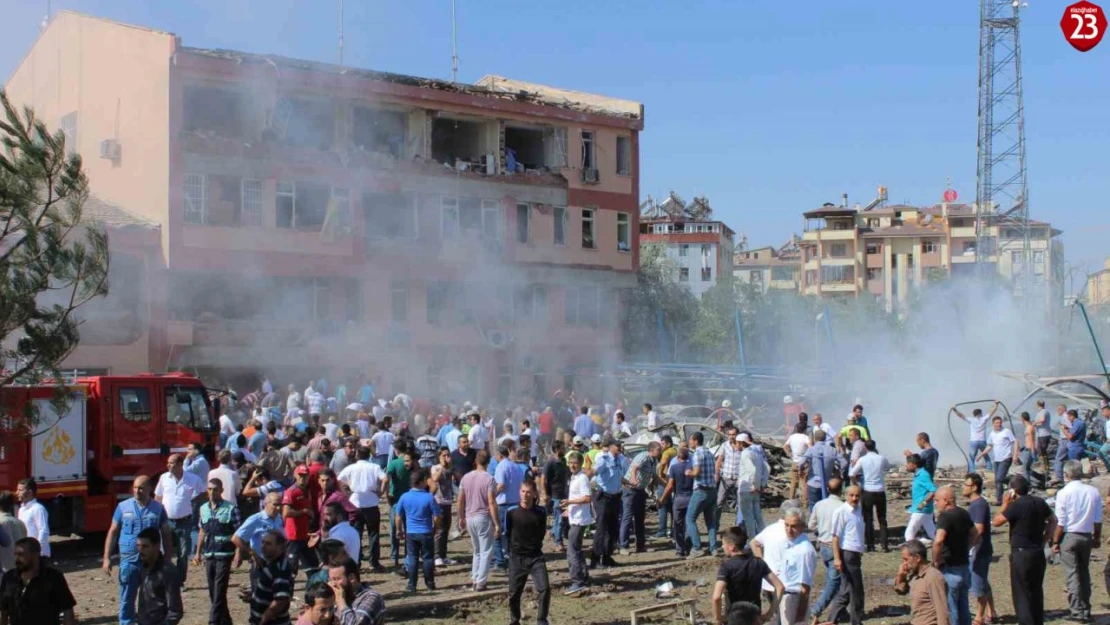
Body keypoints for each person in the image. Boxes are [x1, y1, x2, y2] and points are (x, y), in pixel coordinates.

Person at [103, 476, 173, 625]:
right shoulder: (123, 507)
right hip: (129, 561)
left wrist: (167, 559)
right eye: (135, 487)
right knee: (126, 599)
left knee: (151, 599)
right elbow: (113, 531)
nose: (137, 491)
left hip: (151, 563)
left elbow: (166, 534)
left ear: (150, 489)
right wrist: (106, 558)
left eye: (141, 488)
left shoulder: (158, 509)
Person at [991, 474, 1056, 625]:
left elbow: (996, 521)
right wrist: (1045, 539)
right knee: (1036, 591)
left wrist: (1005, 504)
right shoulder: (1040, 502)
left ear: (1013, 491)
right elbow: (1053, 521)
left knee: (1022, 594)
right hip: (1037, 552)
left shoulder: (1016, 506)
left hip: (1021, 553)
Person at [1052, 459, 1103, 623]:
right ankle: (1086, 609)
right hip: (1086, 535)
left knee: (1072, 575)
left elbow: (1060, 522)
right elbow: (1097, 520)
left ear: (1067, 474)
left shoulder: (1063, 493)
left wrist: (1055, 541)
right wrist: (1096, 537)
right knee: (1084, 573)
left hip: (1069, 535)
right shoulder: (1092, 491)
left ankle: (1077, 611)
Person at [712, 526, 783, 625]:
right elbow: (780, 587)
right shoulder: (759, 563)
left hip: (735, 618)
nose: (722, 547)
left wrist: (718, 618)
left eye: (724, 544)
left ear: (732, 546)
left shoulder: (726, 567)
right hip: (755, 618)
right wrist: (769, 613)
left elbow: (716, 597)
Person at [193, 478, 241, 625]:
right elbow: (202, 531)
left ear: (221, 490)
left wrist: (239, 553)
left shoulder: (231, 509)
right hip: (209, 553)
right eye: (209, 489)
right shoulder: (203, 509)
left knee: (219, 589)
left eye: (215, 489)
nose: (212, 492)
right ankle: (226, 621)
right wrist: (197, 552)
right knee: (213, 591)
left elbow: (239, 533)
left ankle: (213, 621)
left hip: (225, 554)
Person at [155, 454, 206, 586]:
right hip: (167, 522)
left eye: (171, 463)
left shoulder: (192, 479)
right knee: (165, 551)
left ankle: (179, 581)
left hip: (185, 522)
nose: (168, 465)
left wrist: (194, 502)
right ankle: (165, 579)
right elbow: (158, 497)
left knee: (183, 553)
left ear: (179, 464)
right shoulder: (164, 478)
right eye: (168, 462)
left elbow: (203, 492)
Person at [0, 537, 76, 625]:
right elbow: (4, 612)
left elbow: (67, 611)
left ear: (35, 554)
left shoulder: (53, 577)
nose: (17, 559)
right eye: (15, 555)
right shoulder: (9, 578)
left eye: (21, 555)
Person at [506, 479, 550, 625]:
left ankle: (542, 620)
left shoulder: (540, 512)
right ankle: (514, 620)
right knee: (514, 593)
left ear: (534, 494)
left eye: (528, 492)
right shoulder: (511, 511)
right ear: (519, 492)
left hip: (535, 557)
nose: (525, 495)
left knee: (544, 589)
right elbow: (508, 533)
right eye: (523, 491)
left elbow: (542, 531)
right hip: (517, 557)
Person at [932, 486, 976, 625]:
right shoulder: (963, 513)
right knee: (963, 605)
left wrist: (936, 560)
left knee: (951, 609)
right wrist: (967, 547)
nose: (935, 503)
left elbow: (939, 540)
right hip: (963, 566)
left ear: (946, 501)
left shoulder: (945, 517)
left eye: (937, 500)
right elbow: (975, 533)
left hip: (949, 568)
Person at [338, 445, 386, 571]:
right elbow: (385, 478)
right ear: (369, 455)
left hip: (355, 504)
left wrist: (347, 491)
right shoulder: (374, 467)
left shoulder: (351, 468)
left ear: (357, 455)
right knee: (373, 534)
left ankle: (356, 561)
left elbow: (338, 479)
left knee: (356, 535)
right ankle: (374, 562)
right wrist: (381, 492)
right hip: (371, 503)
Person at [458, 450, 500, 591]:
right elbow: (491, 502)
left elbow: (460, 501)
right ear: (488, 462)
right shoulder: (489, 478)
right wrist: (497, 523)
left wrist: (461, 517)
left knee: (477, 551)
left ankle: (475, 578)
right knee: (486, 551)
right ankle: (481, 582)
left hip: (470, 516)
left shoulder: (466, 477)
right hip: (483, 517)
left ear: (475, 461)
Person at [395, 468, 440, 592]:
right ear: (420, 482)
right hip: (426, 531)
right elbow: (437, 516)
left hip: (411, 532)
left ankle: (412, 584)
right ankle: (430, 583)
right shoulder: (429, 498)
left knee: (412, 558)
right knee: (428, 558)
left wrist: (399, 530)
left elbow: (398, 516)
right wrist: (435, 528)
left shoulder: (405, 497)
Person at [232, 493, 285, 598]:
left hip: (276, 563)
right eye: (275, 504)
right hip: (262, 563)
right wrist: (253, 554)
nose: (278, 508)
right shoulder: (256, 519)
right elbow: (236, 538)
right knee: (260, 597)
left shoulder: (278, 518)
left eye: (280, 505)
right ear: (266, 504)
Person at [827, 485, 865, 625]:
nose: (854, 498)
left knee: (846, 590)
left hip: (855, 553)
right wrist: (837, 558)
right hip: (847, 553)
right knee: (856, 590)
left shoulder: (859, 510)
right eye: (851, 495)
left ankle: (831, 619)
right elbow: (835, 537)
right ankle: (856, 621)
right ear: (846, 495)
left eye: (857, 496)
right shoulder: (841, 512)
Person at [808, 478, 843, 624]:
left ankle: (839, 611)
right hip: (835, 547)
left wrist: (821, 530)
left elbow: (811, 525)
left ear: (827, 489)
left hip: (822, 545)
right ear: (841, 490)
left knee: (834, 580)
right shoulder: (842, 507)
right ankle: (815, 610)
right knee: (833, 582)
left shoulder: (819, 505)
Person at [963, 473, 996, 625]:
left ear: (974, 487)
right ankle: (992, 612)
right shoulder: (976, 504)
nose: (963, 487)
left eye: (966, 484)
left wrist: (968, 547)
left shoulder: (978, 505)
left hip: (979, 551)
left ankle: (979, 618)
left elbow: (979, 529)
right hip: (981, 550)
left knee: (977, 585)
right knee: (982, 582)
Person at [892, 539, 951, 625]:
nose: (904, 564)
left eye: (906, 559)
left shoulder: (933, 577)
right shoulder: (915, 574)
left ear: (918, 558)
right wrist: (901, 576)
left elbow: (942, 611)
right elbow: (901, 590)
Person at [848, 440, 891, 552]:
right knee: (882, 518)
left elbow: (852, 473)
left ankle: (870, 545)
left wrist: (856, 484)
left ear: (865, 448)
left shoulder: (862, 459)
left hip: (867, 490)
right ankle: (884, 545)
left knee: (868, 519)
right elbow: (888, 467)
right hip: (880, 490)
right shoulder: (881, 458)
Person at [135, 527, 183, 625]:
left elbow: (175, 612)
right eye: (138, 546)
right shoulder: (142, 567)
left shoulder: (168, 571)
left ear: (156, 546)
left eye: (145, 546)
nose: (140, 550)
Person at [620, 441, 661, 555]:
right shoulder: (643, 456)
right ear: (652, 450)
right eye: (658, 449)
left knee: (640, 519)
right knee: (627, 518)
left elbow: (654, 476)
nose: (660, 451)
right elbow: (634, 467)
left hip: (640, 491)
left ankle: (640, 546)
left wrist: (666, 484)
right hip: (630, 490)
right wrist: (633, 478)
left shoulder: (654, 461)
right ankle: (623, 546)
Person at [777, 509, 817, 625]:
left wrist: (800, 617)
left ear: (802, 526)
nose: (789, 530)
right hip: (785, 598)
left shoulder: (804, 551)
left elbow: (805, 587)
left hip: (795, 599)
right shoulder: (791, 544)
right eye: (786, 525)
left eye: (793, 526)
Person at [591, 439, 626, 567]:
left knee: (612, 528)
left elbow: (619, 477)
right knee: (601, 529)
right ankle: (595, 559)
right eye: (617, 445)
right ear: (611, 447)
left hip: (615, 497)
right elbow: (593, 471)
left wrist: (628, 483)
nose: (619, 447)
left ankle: (607, 556)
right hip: (603, 498)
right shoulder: (603, 459)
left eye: (620, 445)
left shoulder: (618, 460)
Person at [562, 451, 593, 595]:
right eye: (570, 463)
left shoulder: (582, 478)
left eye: (575, 463)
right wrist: (569, 509)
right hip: (575, 517)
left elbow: (587, 498)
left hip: (580, 520)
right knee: (577, 550)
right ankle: (584, 577)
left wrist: (570, 502)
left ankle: (577, 581)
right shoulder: (573, 477)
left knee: (572, 551)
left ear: (580, 464)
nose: (572, 465)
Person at [686, 431, 719, 559]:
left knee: (690, 518)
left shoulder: (697, 454)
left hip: (701, 490)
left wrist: (689, 473)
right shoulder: (709, 453)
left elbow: (697, 472)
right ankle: (713, 548)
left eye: (690, 440)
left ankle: (697, 548)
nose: (689, 442)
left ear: (695, 441)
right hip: (712, 490)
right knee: (710, 521)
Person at [493, 444, 526, 570]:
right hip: (515, 503)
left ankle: (500, 560)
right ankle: (512, 558)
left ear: (499, 455)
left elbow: (501, 485)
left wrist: (491, 496)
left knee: (499, 532)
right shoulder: (515, 466)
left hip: (504, 504)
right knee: (512, 533)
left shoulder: (501, 466)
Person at [250, 530, 294, 625]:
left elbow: (281, 599)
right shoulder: (270, 563)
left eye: (268, 544)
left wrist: (267, 615)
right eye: (263, 542)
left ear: (281, 548)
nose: (263, 546)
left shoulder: (280, 569)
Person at [283, 465, 318, 577]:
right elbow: (286, 513)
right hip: (293, 536)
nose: (303, 478)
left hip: (304, 535)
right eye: (300, 475)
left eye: (305, 475)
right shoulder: (291, 491)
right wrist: (304, 511)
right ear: (295, 475)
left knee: (313, 567)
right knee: (291, 569)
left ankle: (311, 593)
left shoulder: (306, 491)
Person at [974, 416, 1018, 505]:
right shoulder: (992, 434)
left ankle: (1000, 500)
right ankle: (1012, 481)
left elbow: (1015, 441)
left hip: (1006, 458)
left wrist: (1015, 455)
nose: (999, 424)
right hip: (996, 460)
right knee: (997, 480)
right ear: (993, 424)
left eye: (1000, 422)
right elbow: (990, 446)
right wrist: (981, 454)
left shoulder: (1006, 431)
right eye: (997, 423)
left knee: (999, 480)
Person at [327, 559, 386, 625]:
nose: (332, 584)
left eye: (336, 579)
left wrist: (341, 602)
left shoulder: (371, 597)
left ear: (352, 578)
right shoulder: (335, 598)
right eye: (330, 580)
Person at [384, 447, 415, 569]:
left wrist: (386, 494)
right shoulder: (415, 466)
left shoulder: (393, 463)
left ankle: (395, 557)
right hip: (409, 501)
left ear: (396, 450)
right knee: (409, 530)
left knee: (394, 530)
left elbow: (387, 478)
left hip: (396, 501)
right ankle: (409, 556)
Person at [660, 446, 694, 557]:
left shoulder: (674, 468)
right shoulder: (692, 467)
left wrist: (662, 499)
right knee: (689, 523)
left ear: (678, 457)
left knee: (677, 524)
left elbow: (670, 486)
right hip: (691, 497)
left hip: (679, 498)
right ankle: (688, 548)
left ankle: (680, 550)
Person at [540, 440, 570, 551]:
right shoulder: (550, 462)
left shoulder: (563, 460)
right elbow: (543, 479)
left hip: (564, 493)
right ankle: (558, 542)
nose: (564, 449)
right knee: (559, 519)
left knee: (562, 518)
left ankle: (553, 532)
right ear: (557, 449)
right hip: (555, 494)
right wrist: (545, 493)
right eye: (562, 447)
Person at [429, 447, 456, 565]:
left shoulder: (450, 467)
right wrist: (443, 467)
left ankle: (444, 555)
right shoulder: (435, 467)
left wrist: (451, 467)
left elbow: (458, 477)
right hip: (438, 501)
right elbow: (435, 478)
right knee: (438, 530)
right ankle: (436, 556)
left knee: (446, 529)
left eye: (447, 455)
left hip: (448, 502)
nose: (446, 458)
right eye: (443, 455)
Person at [800, 430, 839, 511]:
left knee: (813, 505)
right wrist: (837, 473)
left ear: (815, 438)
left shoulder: (811, 449)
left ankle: (814, 522)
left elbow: (801, 462)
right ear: (825, 438)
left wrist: (801, 470)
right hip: (827, 483)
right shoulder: (832, 450)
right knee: (826, 506)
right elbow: (844, 463)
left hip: (813, 482)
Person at [952, 403, 997, 472]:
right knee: (985, 454)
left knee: (972, 457)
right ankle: (989, 468)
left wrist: (955, 410)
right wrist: (996, 404)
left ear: (974, 414)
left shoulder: (971, 420)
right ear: (980, 413)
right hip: (982, 441)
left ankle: (972, 471)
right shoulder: (983, 419)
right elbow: (992, 412)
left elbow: (961, 415)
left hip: (973, 441)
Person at [905, 454, 937, 542]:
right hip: (925, 511)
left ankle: (913, 553)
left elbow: (933, 490)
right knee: (933, 533)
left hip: (920, 510)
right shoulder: (919, 474)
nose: (906, 466)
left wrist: (923, 503)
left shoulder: (923, 475)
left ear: (914, 465)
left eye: (908, 463)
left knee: (909, 534)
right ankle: (949, 547)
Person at [15, 480, 49, 560]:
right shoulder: (22, 509)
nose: (17, 493)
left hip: (37, 555)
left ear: (30, 492)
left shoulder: (38, 509)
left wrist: (37, 550)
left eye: (20, 490)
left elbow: (43, 531)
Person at [716, 428, 743, 528]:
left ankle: (739, 525)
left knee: (741, 503)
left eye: (734, 434)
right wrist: (716, 473)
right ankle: (715, 523)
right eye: (730, 434)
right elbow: (719, 459)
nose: (732, 436)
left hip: (739, 478)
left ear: (737, 434)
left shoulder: (742, 446)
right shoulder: (725, 445)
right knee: (719, 501)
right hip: (726, 477)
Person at [785, 423, 812, 505]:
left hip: (795, 462)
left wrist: (789, 454)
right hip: (804, 463)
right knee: (804, 483)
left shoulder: (791, 437)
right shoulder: (806, 437)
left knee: (793, 483)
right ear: (804, 430)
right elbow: (811, 448)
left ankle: (791, 500)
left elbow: (785, 446)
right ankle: (804, 502)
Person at [0, 492, 25, 574]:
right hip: (19, 568)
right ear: (11, 506)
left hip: (4, 569)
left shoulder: (1, 522)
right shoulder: (20, 523)